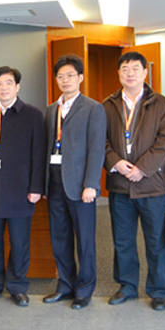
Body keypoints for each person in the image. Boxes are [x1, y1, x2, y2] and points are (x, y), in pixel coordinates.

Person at [102, 52, 165, 311]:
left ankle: (159, 291)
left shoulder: (161, 104)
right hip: (120, 186)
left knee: (156, 241)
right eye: (125, 69)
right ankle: (127, 286)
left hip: (151, 186)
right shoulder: (108, 104)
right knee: (122, 241)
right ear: (119, 74)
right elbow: (102, 141)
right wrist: (115, 162)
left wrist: (142, 169)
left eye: (135, 68)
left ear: (145, 72)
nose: (130, 73)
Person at [0, 66, 46, 307]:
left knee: (20, 242)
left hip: (21, 189)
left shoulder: (33, 115)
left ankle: (17, 286)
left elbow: (39, 154)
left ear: (17, 86)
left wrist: (36, 187)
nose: (3, 87)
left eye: (8, 83)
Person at [43, 54, 106, 310]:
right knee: (60, 238)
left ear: (80, 78)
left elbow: (96, 148)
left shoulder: (93, 108)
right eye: (61, 76)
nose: (65, 80)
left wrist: (92, 183)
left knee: (85, 240)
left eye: (71, 75)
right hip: (55, 182)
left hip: (81, 186)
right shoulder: (51, 109)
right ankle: (65, 285)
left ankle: (84, 288)